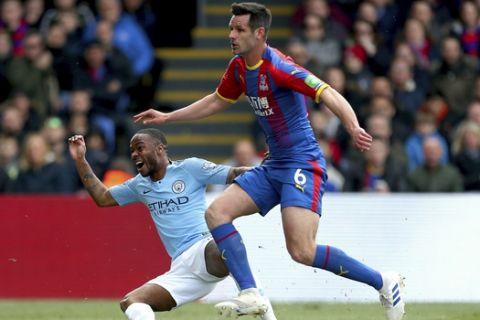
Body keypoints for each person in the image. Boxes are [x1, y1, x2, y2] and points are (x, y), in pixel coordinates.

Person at [133, 3, 405, 320]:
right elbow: (216, 100)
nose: (231, 35)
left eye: (239, 29)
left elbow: (327, 91)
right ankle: (252, 293)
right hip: (273, 165)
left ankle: (383, 281)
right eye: (230, 28)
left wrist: (352, 125)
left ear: (259, 33)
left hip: (303, 165)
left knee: (302, 251)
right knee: (217, 212)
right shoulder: (238, 67)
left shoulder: (279, 67)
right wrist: (168, 117)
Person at [67, 128, 277, 320]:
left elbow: (234, 173)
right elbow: (102, 197)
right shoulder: (139, 185)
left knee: (222, 244)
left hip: (204, 249)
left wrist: (267, 171)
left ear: (160, 149)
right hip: (181, 268)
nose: (134, 155)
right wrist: (80, 160)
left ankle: (255, 299)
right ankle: (254, 295)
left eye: (140, 148)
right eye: (132, 151)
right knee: (131, 302)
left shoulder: (190, 168)